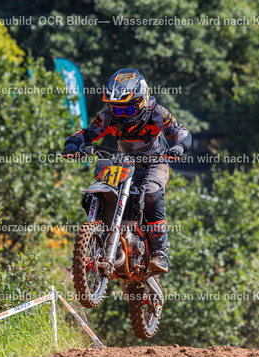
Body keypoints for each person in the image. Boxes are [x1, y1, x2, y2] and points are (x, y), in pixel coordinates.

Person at [62, 68, 191, 273]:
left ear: (142, 101)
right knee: (94, 193)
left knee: (151, 194)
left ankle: (160, 253)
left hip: (154, 163)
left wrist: (179, 147)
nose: (121, 115)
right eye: (116, 109)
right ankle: (101, 236)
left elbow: (181, 131)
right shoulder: (109, 116)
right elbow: (88, 132)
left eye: (128, 110)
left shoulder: (156, 113)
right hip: (124, 163)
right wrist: (73, 143)